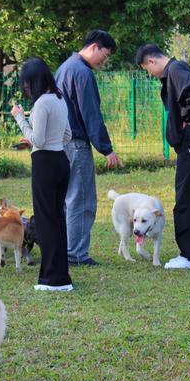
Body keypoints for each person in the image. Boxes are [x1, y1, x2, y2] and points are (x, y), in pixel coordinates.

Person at [136, 44, 190, 269]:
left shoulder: (176, 70)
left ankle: (189, 255)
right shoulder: (176, 70)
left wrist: (188, 117)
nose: (148, 73)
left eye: (145, 69)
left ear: (151, 62)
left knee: (187, 197)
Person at [55, 30, 124, 267]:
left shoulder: (64, 68)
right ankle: (76, 253)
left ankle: (64, 248)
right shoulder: (83, 73)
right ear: (94, 47)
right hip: (76, 144)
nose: (104, 62)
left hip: (59, 143)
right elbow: (91, 114)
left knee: (66, 199)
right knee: (81, 200)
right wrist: (106, 148)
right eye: (104, 56)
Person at [12, 57, 74, 292]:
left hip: (44, 164)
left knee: (46, 222)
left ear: (33, 81)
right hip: (61, 161)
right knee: (58, 219)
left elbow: (37, 139)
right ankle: (62, 276)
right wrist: (43, 141)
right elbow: (66, 135)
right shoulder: (59, 99)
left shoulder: (41, 104)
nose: (26, 89)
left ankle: (52, 279)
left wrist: (20, 117)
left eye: (26, 84)